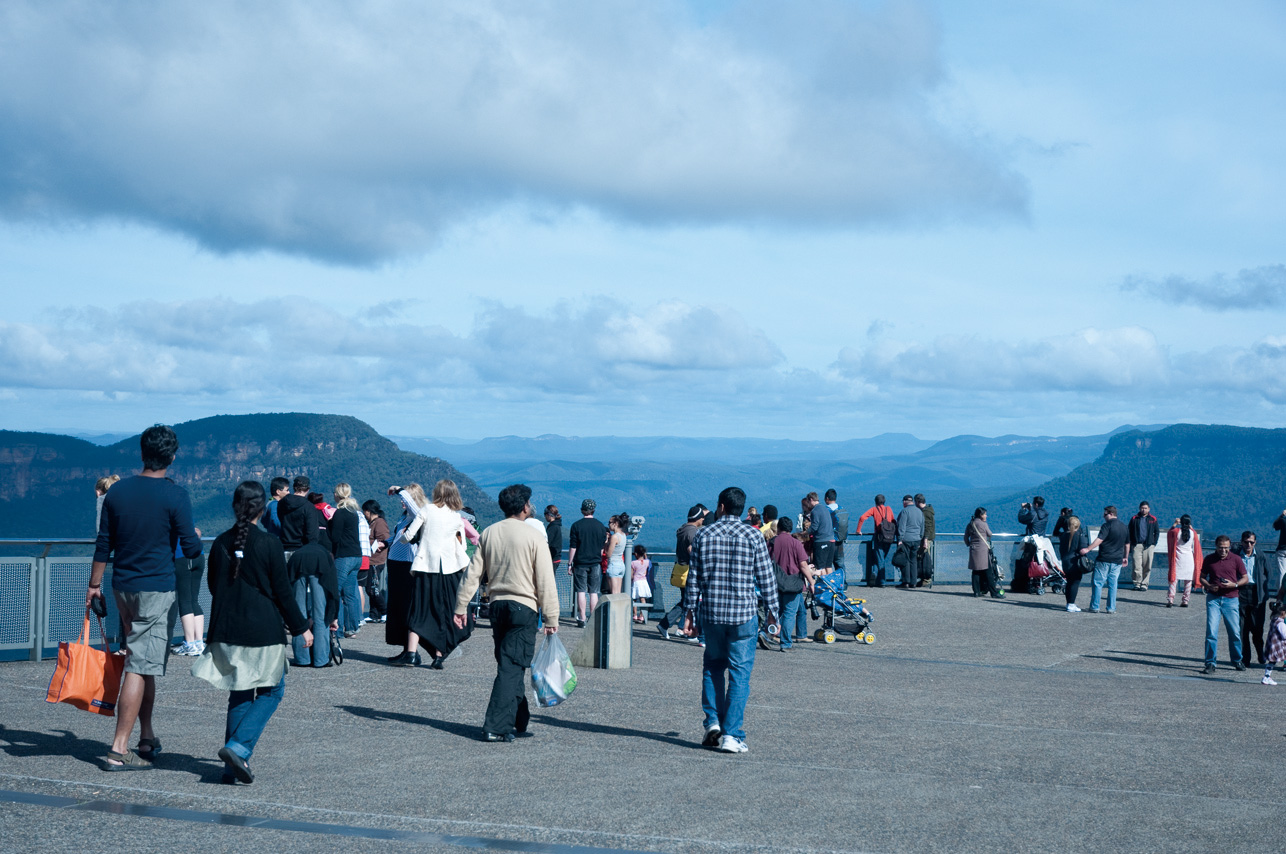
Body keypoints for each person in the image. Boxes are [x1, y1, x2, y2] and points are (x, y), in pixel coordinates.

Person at [88, 425, 202, 771]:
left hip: (122, 586)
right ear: (172, 456)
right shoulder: (176, 496)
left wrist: (94, 586)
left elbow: (104, 544)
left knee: (144, 658)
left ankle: (147, 736)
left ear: (142, 453)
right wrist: (193, 534)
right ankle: (119, 749)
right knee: (139, 665)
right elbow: (193, 547)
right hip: (156, 589)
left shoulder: (117, 493)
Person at [193, 481, 312, 784]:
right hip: (262, 630)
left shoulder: (220, 542)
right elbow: (283, 594)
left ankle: (230, 767)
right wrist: (301, 628)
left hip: (227, 629)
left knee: (240, 693)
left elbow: (213, 586)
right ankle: (238, 747)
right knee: (273, 690)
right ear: (262, 507)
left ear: (235, 506)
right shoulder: (269, 544)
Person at [452, 483, 558, 742]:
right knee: (512, 664)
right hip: (524, 607)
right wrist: (552, 617)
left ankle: (519, 720)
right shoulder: (534, 536)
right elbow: (545, 579)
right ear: (525, 507)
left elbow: (473, 573)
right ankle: (495, 727)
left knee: (510, 662)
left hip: (497, 606)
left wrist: (461, 605)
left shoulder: (489, 533)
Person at [682, 486, 779, 754]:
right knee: (739, 675)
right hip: (743, 615)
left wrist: (689, 612)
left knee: (712, 666)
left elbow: (694, 578)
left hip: (712, 614)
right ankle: (732, 735)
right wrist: (773, 612)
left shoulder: (704, 534)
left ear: (722, 507)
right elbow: (766, 577)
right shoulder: (753, 535)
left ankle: (712, 722)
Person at [397, 479, 473, 670]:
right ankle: (439, 656)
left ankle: (412, 654)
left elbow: (406, 537)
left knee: (419, 609)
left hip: (425, 568)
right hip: (448, 569)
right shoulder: (456, 518)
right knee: (444, 611)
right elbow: (462, 545)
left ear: (437, 493)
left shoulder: (427, 510)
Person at [383, 484, 423, 665]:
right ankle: (405, 648)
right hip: (395, 564)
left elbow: (415, 508)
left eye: (405, 499)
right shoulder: (404, 517)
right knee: (397, 607)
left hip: (406, 565)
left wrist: (400, 490)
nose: (402, 502)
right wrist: (386, 542)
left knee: (406, 607)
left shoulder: (418, 514)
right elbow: (399, 536)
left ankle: (410, 650)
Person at [286, 538, 338, 668]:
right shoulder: (326, 556)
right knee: (320, 615)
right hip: (320, 566)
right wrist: (333, 617)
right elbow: (333, 591)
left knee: (300, 614)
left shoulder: (299, 552)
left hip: (297, 564)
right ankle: (321, 660)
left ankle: (301, 659)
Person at [1200, 535, 1248, 674]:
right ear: (1216, 546)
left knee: (1234, 632)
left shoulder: (1236, 559)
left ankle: (1237, 659)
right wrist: (1209, 586)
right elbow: (1201, 577)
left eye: (1226, 548)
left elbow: (1245, 577)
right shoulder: (1209, 559)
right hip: (1213, 599)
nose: (1224, 551)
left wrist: (1235, 584)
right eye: (1221, 548)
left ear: (1230, 546)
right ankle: (1210, 663)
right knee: (1211, 632)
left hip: (1231, 599)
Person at [657, 505, 704, 641]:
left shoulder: (683, 529)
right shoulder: (693, 532)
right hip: (690, 571)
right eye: (702, 518)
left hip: (681, 568)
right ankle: (683, 629)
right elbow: (692, 551)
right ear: (697, 519)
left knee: (686, 601)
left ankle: (680, 627)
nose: (702, 521)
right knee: (690, 602)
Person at [769, 516, 812, 650]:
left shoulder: (771, 542)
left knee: (776, 611)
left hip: (775, 583)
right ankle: (786, 643)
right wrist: (812, 582)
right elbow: (803, 565)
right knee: (789, 613)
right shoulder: (796, 543)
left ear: (779, 528)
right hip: (793, 584)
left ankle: (768, 634)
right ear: (790, 528)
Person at [328, 483, 363, 637]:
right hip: (357, 555)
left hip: (344, 556)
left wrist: (328, 524)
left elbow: (335, 537)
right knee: (350, 594)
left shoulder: (340, 513)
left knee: (335, 591)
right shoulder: (353, 512)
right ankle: (352, 627)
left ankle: (338, 628)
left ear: (338, 495)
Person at [1232, 531, 1272, 667]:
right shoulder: (1236, 555)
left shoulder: (1260, 555)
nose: (1249, 544)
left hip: (1257, 593)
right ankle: (1245, 658)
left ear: (1255, 542)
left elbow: (1267, 573)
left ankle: (1260, 653)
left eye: (1252, 542)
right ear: (1241, 542)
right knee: (1242, 627)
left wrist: (1264, 590)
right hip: (1241, 591)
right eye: (1246, 542)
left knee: (1257, 627)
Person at [1079, 506, 1129, 614]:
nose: (1103, 516)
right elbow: (1127, 544)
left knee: (1097, 583)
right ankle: (1111, 608)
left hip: (1104, 559)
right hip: (1117, 560)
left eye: (1105, 514)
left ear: (1110, 513)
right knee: (1113, 584)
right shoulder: (1124, 527)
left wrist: (1088, 549)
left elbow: (1099, 539)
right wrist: (1125, 557)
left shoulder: (1107, 526)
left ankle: (1095, 606)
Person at [567, 499, 608, 627]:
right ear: (594, 510)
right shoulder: (600, 526)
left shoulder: (576, 526)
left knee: (581, 591)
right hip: (595, 562)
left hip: (580, 562)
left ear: (582, 510)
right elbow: (602, 547)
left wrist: (570, 563)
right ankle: (593, 618)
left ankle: (582, 618)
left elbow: (573, 546)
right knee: (593, 592)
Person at [169, 529, 206, 656]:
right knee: (194, 600)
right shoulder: (185, 516)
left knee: (184, 600)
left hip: (181, 556)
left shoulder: (171, 517)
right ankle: (199, 642)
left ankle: (190, 644)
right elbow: (198, 532)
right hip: (199, 556)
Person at [856, 495, 897, 587]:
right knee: (880, 558)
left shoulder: (874, 509)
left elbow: (862, 518)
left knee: (880, 558)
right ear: (884, 501)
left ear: (875, 502)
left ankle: (881, 580)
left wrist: (858, 530)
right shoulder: (889, 509)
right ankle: (876, 575)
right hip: (889, 538)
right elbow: (893, 521)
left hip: (879, 537)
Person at [965, 507, 1003, 598]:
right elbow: (990, 534)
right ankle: (993, 593)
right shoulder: (983, 524)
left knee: (976, 572)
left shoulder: (971, 524)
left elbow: (966, 537)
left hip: (973, 550)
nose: (986, 516)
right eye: (985, 514)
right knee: (988, 572)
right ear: (981, 515)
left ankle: (976, 592)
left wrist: (969, 544)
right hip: (983, 551)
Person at [362, 499, 389, 623]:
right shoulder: (373, 523)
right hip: (372, 559)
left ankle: (384, 611)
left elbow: (384, 540)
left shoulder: (379, 523)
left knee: (372, 588)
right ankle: (374, 614)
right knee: (372, 587)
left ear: (368, 511)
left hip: (376, 560)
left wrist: (367, 542)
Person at [1166, 515, 1202, 607]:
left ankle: (1170, 599)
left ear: (1181, 522)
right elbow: (1194, 535)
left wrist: (1174, 524)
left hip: (1178, 559)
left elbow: (1169, 532)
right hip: (1189, 559)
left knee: (1174, 580)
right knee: (1188, 581)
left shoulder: (1176, 531)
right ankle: (1185, 600)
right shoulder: (1193, 533)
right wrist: (1190, 526)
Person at [1057, 514, 1090, 612]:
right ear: (1078, 525)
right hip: (1075, 563)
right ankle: (1071, 604)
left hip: (1065, 562)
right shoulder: (1079, 536)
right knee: (1075, 583)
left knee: (1069, 582)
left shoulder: (1063, 536)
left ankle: (1068, 603)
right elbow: (1082, 550)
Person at [1127, 501, 1160, 591]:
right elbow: (1129, 531)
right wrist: (1130, 543)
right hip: (1137, 545)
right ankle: (1137, 583)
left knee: (1147, 565)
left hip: (1148, 545)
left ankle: (1144, 583)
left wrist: (1153, 543)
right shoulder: (1134, 518)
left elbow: (1156, 532)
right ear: (1139, 508)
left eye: (1145, 508)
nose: (1143, 510)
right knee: (1136, 565)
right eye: (1142, 508)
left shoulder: (1153, 519)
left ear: (1148, 509)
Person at [895, 494, 925, 588]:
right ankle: (914, 582)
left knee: (906, 561)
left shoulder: (905, 511)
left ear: (904, 502)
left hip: (906, 539)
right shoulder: (919, 512)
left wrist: (900, 539)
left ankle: (906, 582)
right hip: (917, 539)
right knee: (914, 560)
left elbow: (902, 526)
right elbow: (922, 526)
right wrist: (920, 537)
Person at [804, 492, 835, 573]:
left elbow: (814, 527)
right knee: (828, 566)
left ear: (811, 500)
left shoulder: (815, 511)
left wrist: (805, 533)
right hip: (831, 540)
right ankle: (830, 584)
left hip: (821, 541)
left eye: (807, 502)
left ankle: (823, 584)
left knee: (820, 567)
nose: (807, 504)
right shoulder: (825, 508)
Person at [604, 512, 629, 595]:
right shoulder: (623, 535)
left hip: (613, 565)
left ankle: (613, 608)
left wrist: (606, 542)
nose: (609, 524)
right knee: (618, 593)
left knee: (613, 593)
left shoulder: (615, 537)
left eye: (610, 523)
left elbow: (608, 554)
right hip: (621, 565)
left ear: (616, 523)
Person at [825, 490, 849, 577]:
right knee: (840, 564)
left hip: (828, 541)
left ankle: (830, 583)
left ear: (827, 499)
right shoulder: (842, 509)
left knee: (827, 564)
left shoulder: (825, 510)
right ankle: (843, 584)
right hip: (840, 540)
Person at [1262, 601, 1286, 685]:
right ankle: (1266, 677)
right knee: (1272, 662)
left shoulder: (1274, 620)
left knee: (1272, 662)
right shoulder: (1281, 623)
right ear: (1283, 613)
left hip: (1272, 645)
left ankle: (1267, 676)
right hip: (1277, 647)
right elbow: (1284, 635)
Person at [915, 494, 934, 587]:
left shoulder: (925, 513)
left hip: (926, 539)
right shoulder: (927, 511)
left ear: (918, 502)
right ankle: (924, 579)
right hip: (927, 538)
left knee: (926, 559)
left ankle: (926, 580)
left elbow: (927, 527)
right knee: (924, 558)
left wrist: (925, 540)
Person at [631, 544, 652, 623]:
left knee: (634, 599)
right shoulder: (646, 562)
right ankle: (642, 616)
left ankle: (635, 615)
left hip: (636, 582)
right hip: (644, 582)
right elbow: (647, 560)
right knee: (643, 599)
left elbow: (631, 575)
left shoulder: (633, 563)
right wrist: (645, 555)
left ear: (636, 554)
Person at [544, 505, 563, 572]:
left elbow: (547, 541)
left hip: (552, 557)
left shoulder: (553, 527)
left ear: (549, 515)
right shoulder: (557, 526)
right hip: (556, 556)